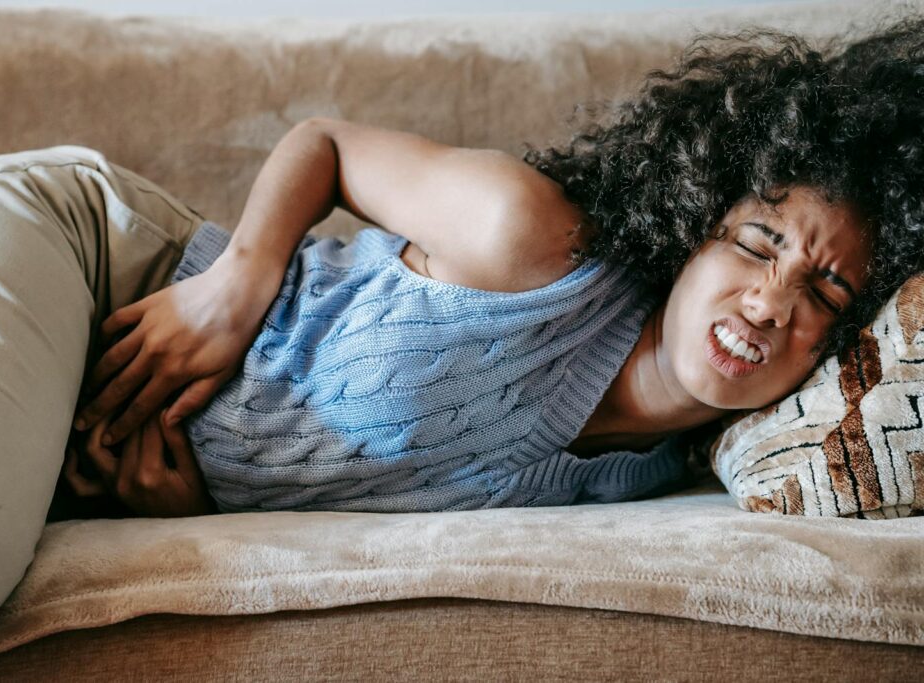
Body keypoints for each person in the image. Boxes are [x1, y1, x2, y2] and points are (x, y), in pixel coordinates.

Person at [63, 15, 924, 518]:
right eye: (757, 243)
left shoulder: (660, 472)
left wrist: (197, 511)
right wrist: (234, 288)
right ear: (694, 224)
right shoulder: (542, 244)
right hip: (97, 271)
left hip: (93, 448)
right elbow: (321, 144)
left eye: (827, 290)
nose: (773, 303)